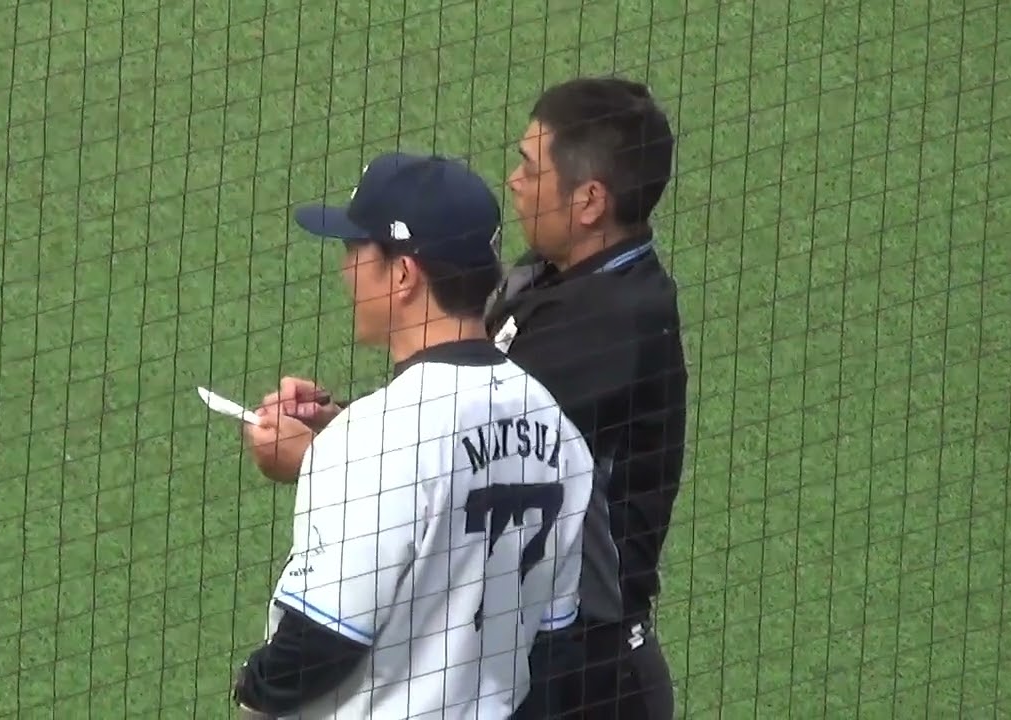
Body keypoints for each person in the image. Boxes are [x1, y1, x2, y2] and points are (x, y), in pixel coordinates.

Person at [253, 77, 688, 719]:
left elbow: (475, 449)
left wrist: (329, 454)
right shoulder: (564, 280)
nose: (514, 181)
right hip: (537, 656)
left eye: (530, 167)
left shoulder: (614, 322)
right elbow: (461, 425)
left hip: (591, 680)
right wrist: (342, 427)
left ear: (590, 200)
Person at [235, 151, 596, 719]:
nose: (345, 271)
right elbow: (554, 641)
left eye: (355, 251)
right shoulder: (555, 427)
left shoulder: (375, 438)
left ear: (403, 274)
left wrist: (249, 691)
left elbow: (319, 644)